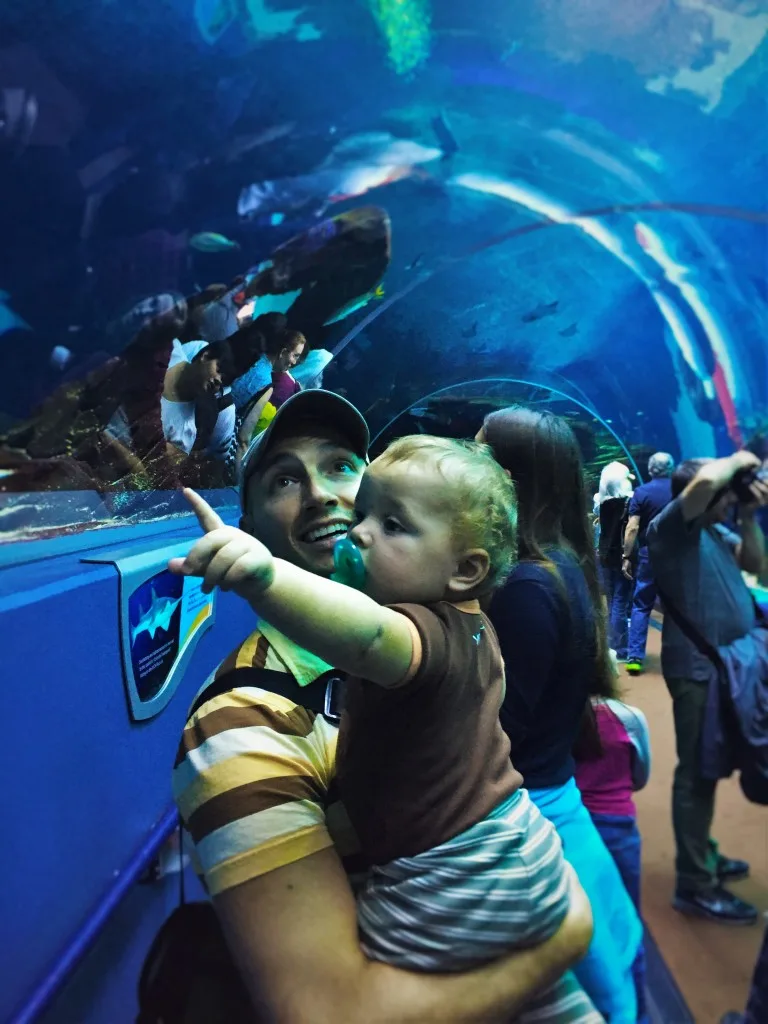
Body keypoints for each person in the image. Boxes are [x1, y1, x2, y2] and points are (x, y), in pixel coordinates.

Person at [171, 390, 594, 1024]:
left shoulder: (434, 626)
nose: (323, 497)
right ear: (249, 526)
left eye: (343, 466)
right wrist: (565, 938)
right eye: (284, 478)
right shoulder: (242, 723)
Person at [480, 407, 643, 1023]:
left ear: (510, 477)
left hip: (532, 821)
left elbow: (503, 727)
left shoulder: (525, 584)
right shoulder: (561, 565)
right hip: (558, 799)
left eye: (480, 455)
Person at [647, 452, 767, 924]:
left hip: (725, 667)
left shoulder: (716, 530)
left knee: (711, 763)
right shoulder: (672, 530)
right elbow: (699, 487)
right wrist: (739, 458)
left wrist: (750, 513)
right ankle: (694, 884)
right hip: (697, 669)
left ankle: (705, 853)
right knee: (696, 772)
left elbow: (757, 563)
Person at [574, 690, 651, 1024]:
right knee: (625, 917)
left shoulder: (562, 717)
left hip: (575, 823)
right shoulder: (629, 717)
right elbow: (641, 774)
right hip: (618, 828)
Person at [622, 452, 675, 675]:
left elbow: (633, 527)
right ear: (671, 469)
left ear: (651, 470)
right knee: (677, 606)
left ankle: (634, 657)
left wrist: (626, 556)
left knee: (642, 604)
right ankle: (678, 657)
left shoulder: (641, 492)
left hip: (648, 554)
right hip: (677, 555)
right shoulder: (681, 491)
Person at [598, 461, 634, 661]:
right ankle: (621, 647)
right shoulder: (628, 503)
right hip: (621, 557)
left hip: (606, 556)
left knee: (612, 601)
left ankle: (611, 642)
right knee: (620, 601)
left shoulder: (603, 503)